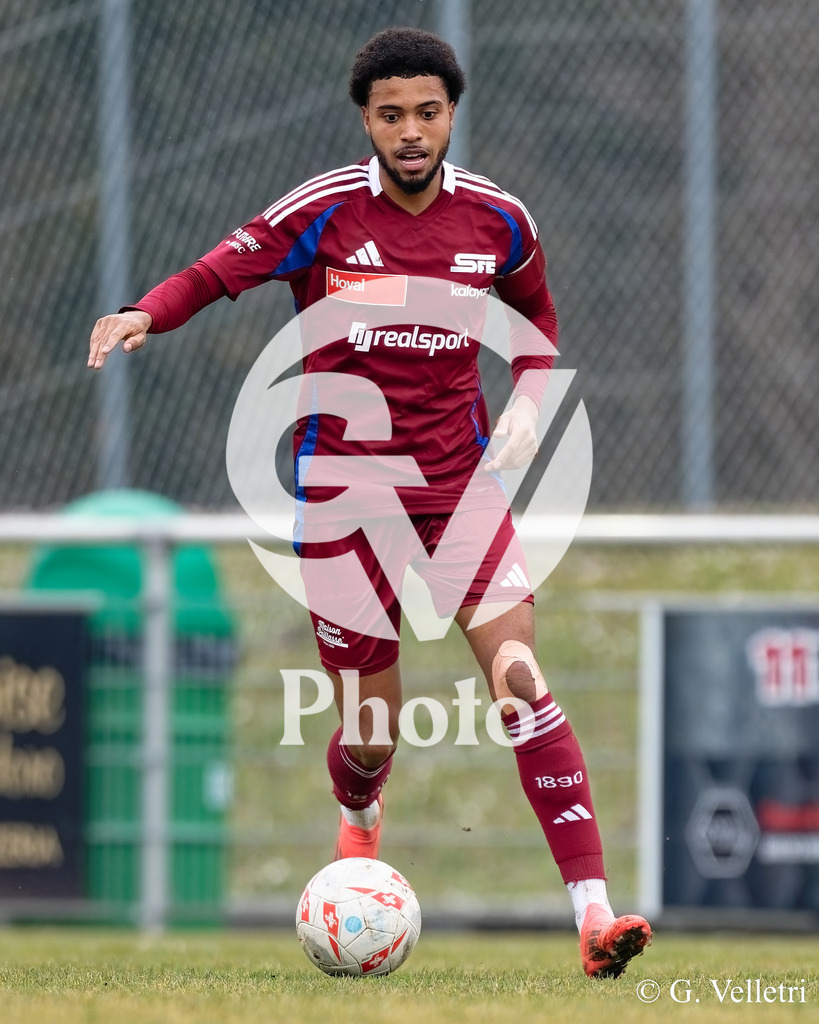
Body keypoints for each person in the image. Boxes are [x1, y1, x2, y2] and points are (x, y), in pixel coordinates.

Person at [88, 27, 651, 978]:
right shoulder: (323, 211)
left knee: (518, 676)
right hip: (343, 501)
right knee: (369, 735)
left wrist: (527, 401)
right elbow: (219, 270)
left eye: (427, 112)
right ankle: (359, 817)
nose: (410, 131)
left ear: (450, 115)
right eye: (391, 115)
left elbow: (539, 319)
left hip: (456, 489)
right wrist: (147, 309)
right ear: (367, 120)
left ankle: (593, 919)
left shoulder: (499, 222)